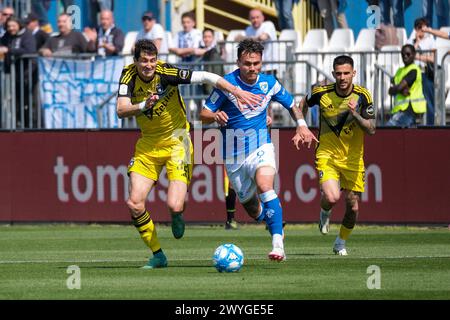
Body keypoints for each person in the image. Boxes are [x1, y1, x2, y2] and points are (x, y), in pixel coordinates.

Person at [116, 39, 261, 269]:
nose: (149, 65)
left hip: (177, 141)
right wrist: (144, 104)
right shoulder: (128, 76)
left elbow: (205, 77)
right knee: (134, 203)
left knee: (174, 205)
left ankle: (177, 214)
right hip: (148, 145)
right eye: (144, 60)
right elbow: (121, 110)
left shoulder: (166, 72)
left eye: (152, 60)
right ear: (135, 61)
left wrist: (235, 90)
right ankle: (158, 255)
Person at [200, 39, 317, 261]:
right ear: (238, 62)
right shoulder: (226, 85)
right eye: (247, 64)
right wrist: (215, 115)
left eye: (256, 63)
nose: (252, 68)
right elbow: (203, 114)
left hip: (261, 145)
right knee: (252, 209)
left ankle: (277, 243)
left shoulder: (269, 83)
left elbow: (292, 104)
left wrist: (301, 125)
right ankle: (270, 218)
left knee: (265, 185)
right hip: (233, 155)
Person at [298, 55, 376, 256]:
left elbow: (371, 129)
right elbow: (302, 103)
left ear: (354, 73)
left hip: (353, 158)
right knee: (332, 197)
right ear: (333, 74)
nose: (342, 77)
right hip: (328, 154)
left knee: (353, 207)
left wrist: (356, 114)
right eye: (338, 73)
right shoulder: (321, 93)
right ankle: (325, 212)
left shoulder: (363, 95)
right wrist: (302, 126)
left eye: (346, 73)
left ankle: (340, 242)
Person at [386, 44, 426, 127]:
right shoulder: (399, 71)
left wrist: (398, 89)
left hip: (410, 109)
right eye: (403, 54)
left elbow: (398, 87)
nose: (405, 56)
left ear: (414, 55)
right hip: (400, 109)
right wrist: (400, 89)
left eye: (408, 54)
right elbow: (391, 91)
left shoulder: (414, 69)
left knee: (388, 130)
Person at [407, 18, 436, 125]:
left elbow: (433, 58)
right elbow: (407, 56)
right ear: (415, 29)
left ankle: (430, 126)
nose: (421, 30)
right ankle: (410, 124)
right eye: (419, 27)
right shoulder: (410, 41)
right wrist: (417, 41)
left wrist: (417, 56)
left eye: (424, 27)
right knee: (411, 101)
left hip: (425, 73)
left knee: (429, 101)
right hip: (412, 74)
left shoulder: (430, 39)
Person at [236, 9, 278, 75]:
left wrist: (247, 39)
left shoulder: (268, 25)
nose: (255, 20)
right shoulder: (248, 29)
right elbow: (237, 38)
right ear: (249, 19)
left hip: (270, 67)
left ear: (263, 18)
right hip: (254, 67)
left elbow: (263, 37)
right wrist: (255, 38)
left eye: (257, 17)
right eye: (253, 18)